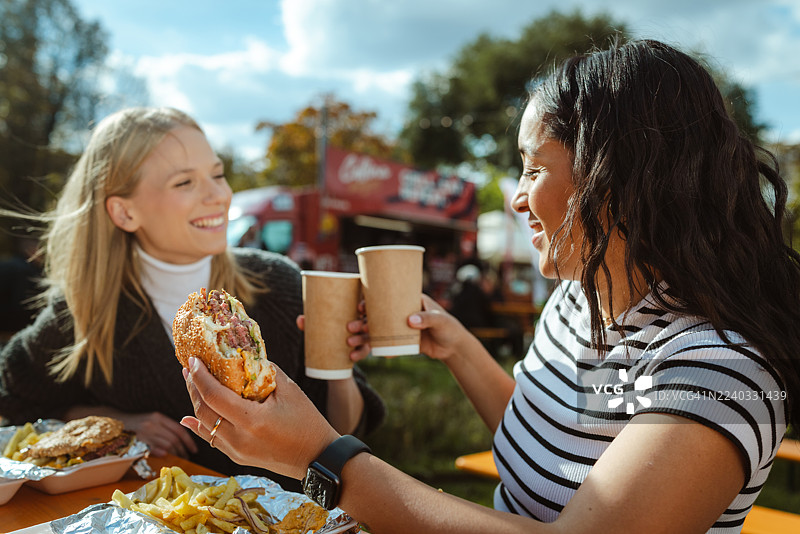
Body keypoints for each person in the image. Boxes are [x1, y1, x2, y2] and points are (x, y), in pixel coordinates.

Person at [180, 39, 800, 533]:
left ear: (618, 179)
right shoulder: (574, 301)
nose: (519, 198)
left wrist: (323, 457)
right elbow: (548, 447)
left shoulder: (714, 372)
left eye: (533, 167)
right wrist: (453, 344)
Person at [0, 107, 384, 490]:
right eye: (185, 183)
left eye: (217, 174)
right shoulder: (84, 310)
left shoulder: (278, 283)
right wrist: (112, 421)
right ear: (124, 212)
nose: (219, 195)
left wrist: (340, 365)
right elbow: (12, 396)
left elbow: (345, 431)